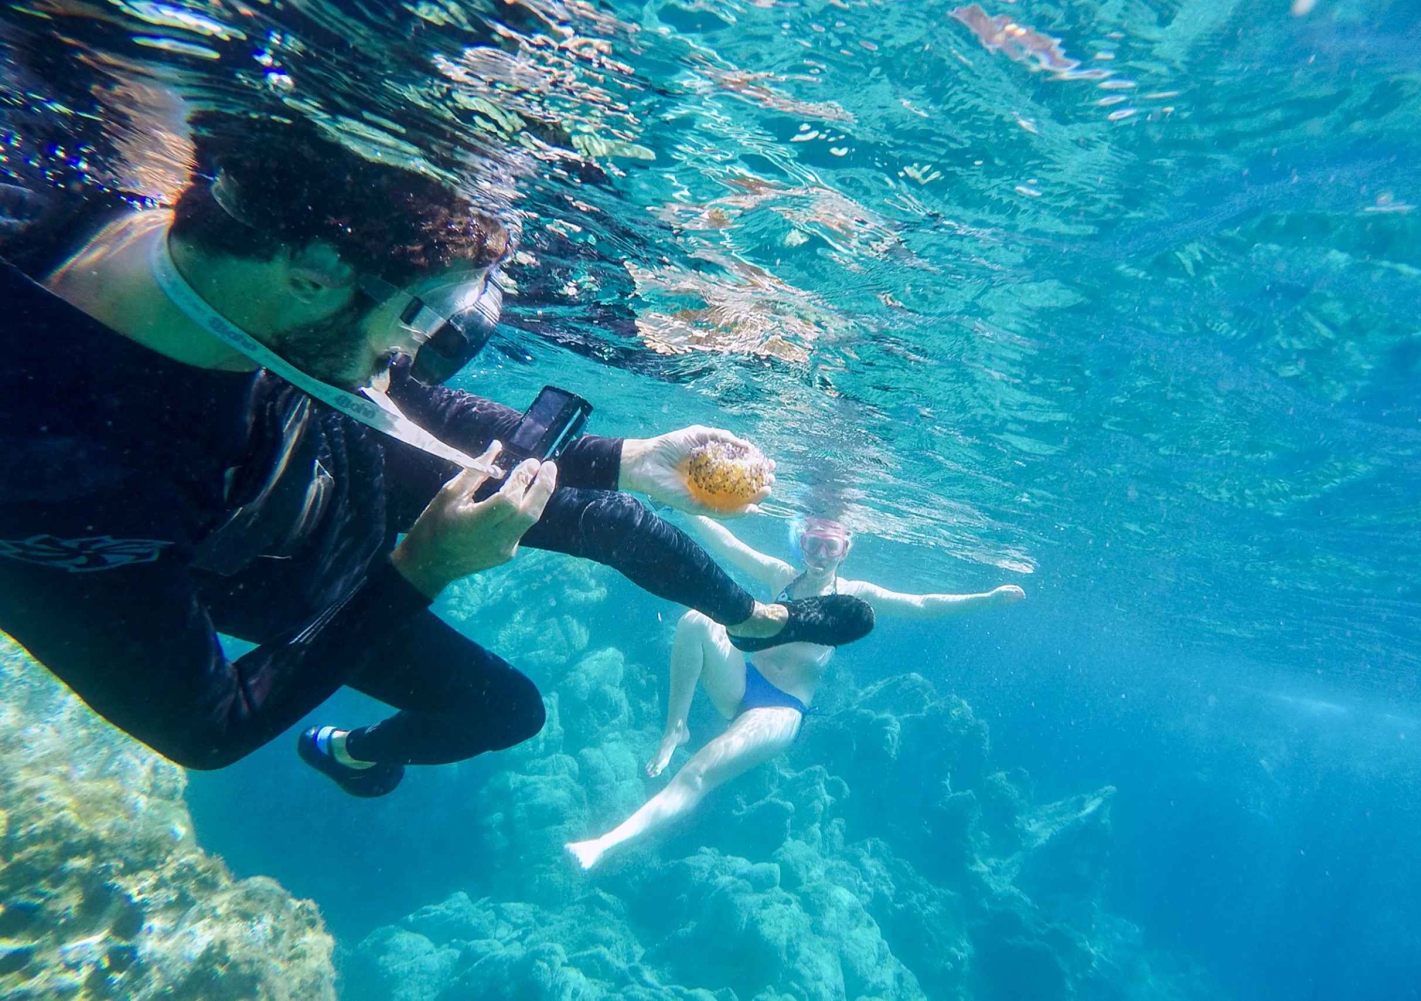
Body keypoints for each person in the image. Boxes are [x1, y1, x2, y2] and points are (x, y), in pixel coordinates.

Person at [0, 113, 873, 798]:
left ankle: (758, 621)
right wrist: (422, 566)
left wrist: (624, 456)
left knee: (613, 513)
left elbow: (390, 396)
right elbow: (207, 728)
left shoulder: (228, 281)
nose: (416, 348)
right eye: (423, 315)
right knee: (505, 709)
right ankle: (349, 753)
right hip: (293, 578)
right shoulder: (60, 484)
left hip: (339, 463)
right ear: (310, 275)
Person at [566, 515, 1024, 868]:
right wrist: (680, 506)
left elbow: (920, 604)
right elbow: (727, 543)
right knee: (696, 618)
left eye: (830, 546)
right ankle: (676, 727)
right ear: (800, 542)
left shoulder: (856, 593)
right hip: (743, 682)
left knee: (699, 773)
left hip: (780, 710)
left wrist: (985, 599)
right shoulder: (781, 575)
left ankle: (604, 844)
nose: (819, 555)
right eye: (812, 543)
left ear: (846, 548)